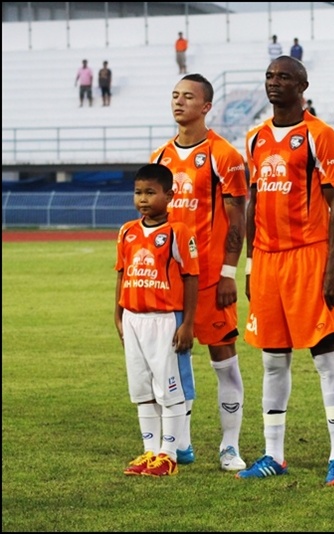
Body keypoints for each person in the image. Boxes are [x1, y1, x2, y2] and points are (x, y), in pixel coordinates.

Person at [239, 56, 334, 487]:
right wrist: (250, 265)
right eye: (270, 75)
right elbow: (252, 203)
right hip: (267, 260)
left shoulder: (320, 136)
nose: (274, 82)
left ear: (302, 85)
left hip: (308, 256)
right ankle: (273, 454)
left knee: (324, 356)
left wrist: (332, 269)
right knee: (272, 360)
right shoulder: (255, 137)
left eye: (284, 76)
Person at [151, 73, 248, 472]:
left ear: (206, 106)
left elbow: (237, 217)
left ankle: (230, 446)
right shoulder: (160, 157)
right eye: (175, 95)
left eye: (188, 97)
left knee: (223, 360)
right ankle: (181, 442)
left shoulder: (224, 155)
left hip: (210, 280)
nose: (179, 102)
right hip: (171, 283)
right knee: (173, 362)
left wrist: (228, 272)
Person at [116, 163, 199, 477]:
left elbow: (191, 278)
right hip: (133, 318)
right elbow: (122, 273)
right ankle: (150, 451)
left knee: (170, 389)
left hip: (165, 319)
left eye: (150, 192)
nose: (143, 199)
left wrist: (187, 323)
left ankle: (169, 454)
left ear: (170, 195)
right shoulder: (127, 231)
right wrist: (118, 314)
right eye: (138, 192)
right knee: (143, 390)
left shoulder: (178, 232)